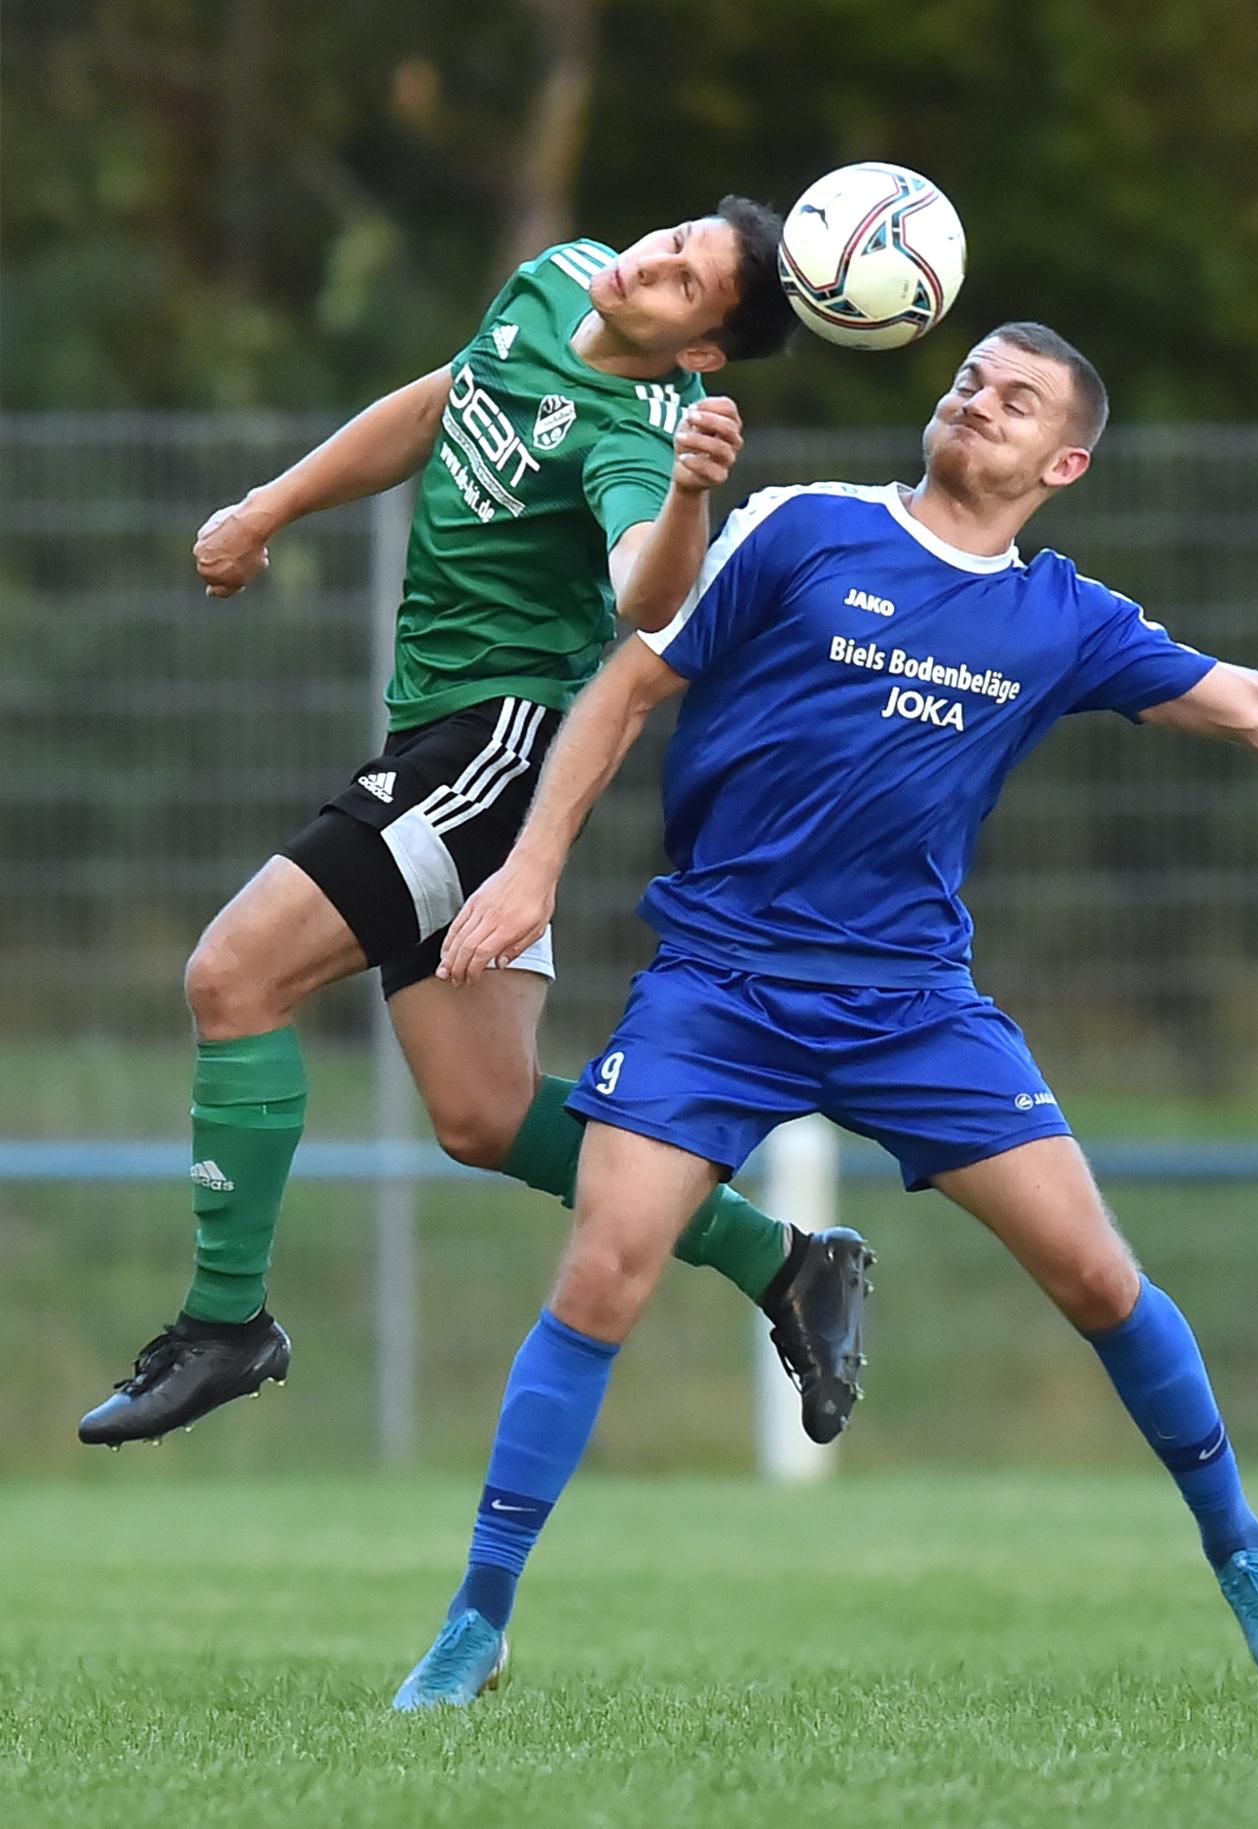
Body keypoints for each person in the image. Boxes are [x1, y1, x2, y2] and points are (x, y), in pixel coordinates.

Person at [387, 319, 1258, 1709]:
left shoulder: (1065, 619)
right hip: (719, 982)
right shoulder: (804, 530)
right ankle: (476, 1617)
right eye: (969, 380)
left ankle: (1246, 1556)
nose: (977, 400)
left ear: (1063, 462)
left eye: (1016, 399)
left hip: (911, 1005)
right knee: (601, 1272)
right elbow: (627, 685)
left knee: (1097, 1277)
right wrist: (532, 866)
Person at [77, 201, 874, 1454]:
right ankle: (786, 1260)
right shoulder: (556, 277)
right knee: (485, 1114)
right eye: (674, 240)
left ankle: (225, 1321)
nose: (653, 261)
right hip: (437, 738)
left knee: (232, 974)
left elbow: (647, 592)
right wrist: (272, 505)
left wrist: (687, 493)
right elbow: (443, 402)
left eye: (685, 284)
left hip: (495, 750)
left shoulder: (640, 434)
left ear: (700, 352)